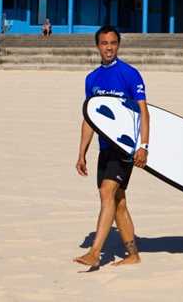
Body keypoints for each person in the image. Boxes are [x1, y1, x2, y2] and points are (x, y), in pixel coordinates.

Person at [74, 25, 150, 269]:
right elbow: (90, 118)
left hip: (124, 147)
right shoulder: (92, 79)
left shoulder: (130, 74)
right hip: (104, 148)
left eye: (113, 43)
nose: (109, 47)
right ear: (98, 46)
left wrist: (143, 146)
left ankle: (95, 252)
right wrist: (82, 152)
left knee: (106, 193)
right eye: (105, 43)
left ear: (118, 45)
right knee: (118, 202)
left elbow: (144, 112)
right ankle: (133, 254)